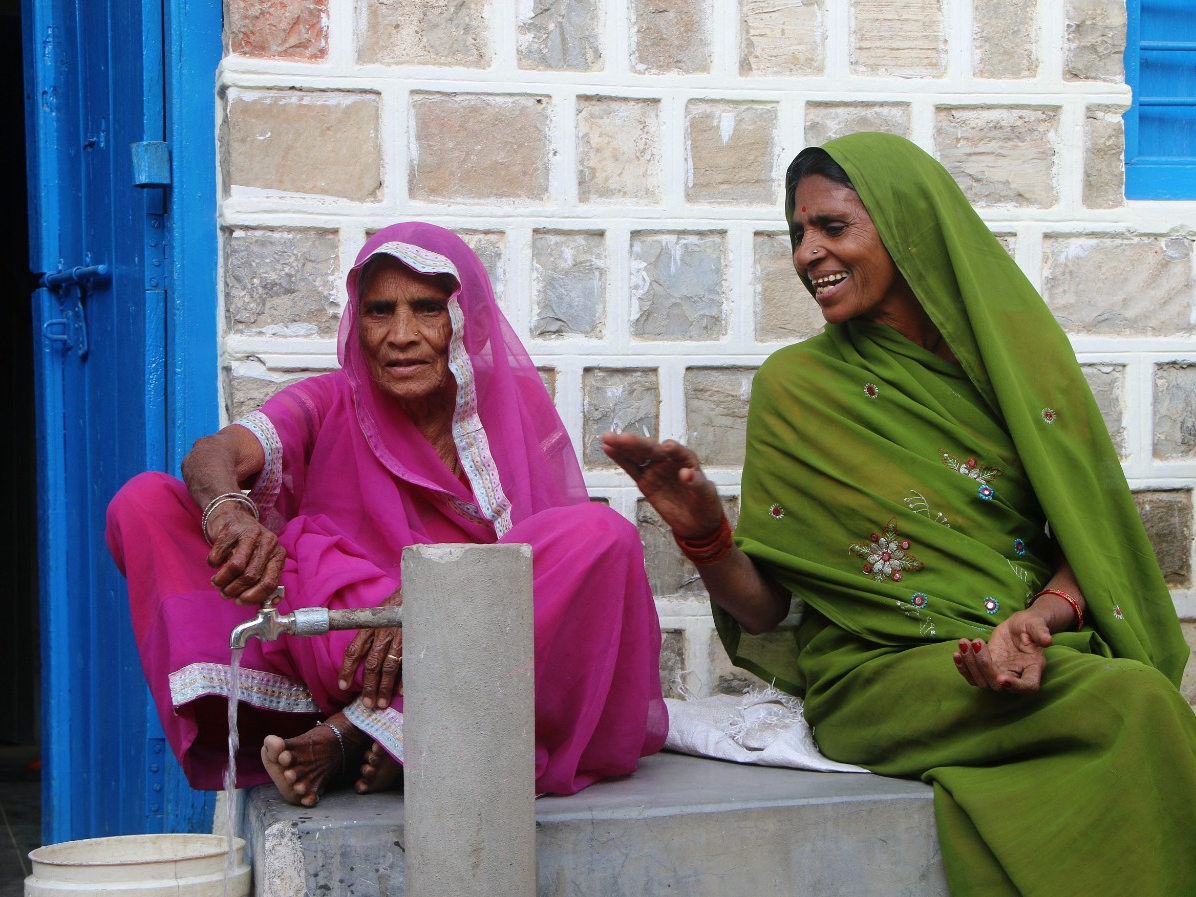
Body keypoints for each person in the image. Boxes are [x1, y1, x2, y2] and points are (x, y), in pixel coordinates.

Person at [604, 132, 1196, 896]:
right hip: (878, 678)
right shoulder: (797, 387)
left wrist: (1037, 621)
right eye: (798, 233)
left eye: (832, 227)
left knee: (1131, 706)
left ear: (907, 228)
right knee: (1136, 703)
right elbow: (765, 610)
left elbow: (1091, 536)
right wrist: (702, 532)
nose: (807, 254)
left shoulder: (1016, 370)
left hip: (1034, 650)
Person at [108, 221, 667, 807]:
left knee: (601, 534)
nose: (401, 335)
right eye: (379, 312)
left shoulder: (506, 412)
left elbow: (542, 573)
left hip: (463, 652)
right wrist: (231, 516)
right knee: (144, 501)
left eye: (427, 309)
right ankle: (362, 725)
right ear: (359, 324)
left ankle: (363, 733)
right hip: (336, 643)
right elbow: (214, 453)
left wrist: (427, 598)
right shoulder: (330, 400)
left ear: (468, 322)